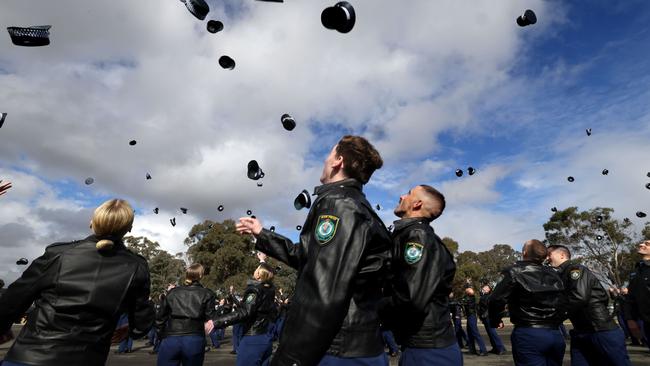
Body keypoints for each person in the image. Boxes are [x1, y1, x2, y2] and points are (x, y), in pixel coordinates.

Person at [236, 135, 392, 366]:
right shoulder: (354, 204)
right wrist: (263, 234)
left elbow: (324, 288)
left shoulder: (340, 205)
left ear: (338, 161)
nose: (325, 159)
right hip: (350, 346)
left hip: (335, 350)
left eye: (329, 153)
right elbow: (312, 259)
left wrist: (291, 358)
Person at [0, 198, 155, 366]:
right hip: (87, 358)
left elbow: (14, 299)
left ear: (92, 222)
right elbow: (141, 322)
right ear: (129, 229)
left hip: (31, 355)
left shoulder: (58, 254)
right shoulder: (136, 266)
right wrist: (131, 330)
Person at [381, 185, 462, 365]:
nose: (401, 195)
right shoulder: (411, 234)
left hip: (428, 350)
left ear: (417, 204)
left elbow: (411, 297)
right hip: (423, 347)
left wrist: (369, 308)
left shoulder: (417, 236)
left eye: (409, 193)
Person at [547, 244, 631, 366]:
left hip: (600, 330)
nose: (547, 258)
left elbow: (579, 297)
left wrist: (554, 316)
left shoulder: (575, 269)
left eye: (549, 254)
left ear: (562, 255)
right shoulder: (560, 275)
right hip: (581, 332)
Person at [488, 239, 567, 366]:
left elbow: (496, 299)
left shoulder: (514, 271)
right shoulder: (555, 273)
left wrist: (495, 320)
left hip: (529, 333)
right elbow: (564, 300)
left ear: (524, 252)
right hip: (555, 333)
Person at [210, 263, 277, 366]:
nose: (254, 270)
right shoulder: (270, 290)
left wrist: (215, 322)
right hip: (266, 338)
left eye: (257, 268)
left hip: (253, 339)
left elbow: (244, 311)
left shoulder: (254, 290)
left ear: (259, 274)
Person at [155, 263, 216, 366]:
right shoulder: (207, 293)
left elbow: (160, 317)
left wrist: (162, 336)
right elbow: (211, 318)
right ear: (201, 276)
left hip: (171, 338)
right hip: (194, 339)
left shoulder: (173, 292)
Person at [625, 240, 650, 350]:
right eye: (642, 243)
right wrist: (630, 319)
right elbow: (631, 297)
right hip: (646, 322)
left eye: (647, 244)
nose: (641, 245)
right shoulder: (637, 270)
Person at [478, 285, 506, 355]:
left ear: (488, 290)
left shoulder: (489, 297)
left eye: (485, 288)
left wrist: (499, 320)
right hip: (485, 317)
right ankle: (495, 348)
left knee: (493, 333)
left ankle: (501, 348)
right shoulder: (484, 296)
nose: (483, 289)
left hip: (489, 317)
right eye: (483, 288)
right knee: (490, 334)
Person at [460, 287, 488, 356]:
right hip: (470, 316)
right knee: (469, 333)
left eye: (467, 291)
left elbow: (464, 302)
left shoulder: (471, 298)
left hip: (472, 317)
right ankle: (472, 349)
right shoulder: (467, 297)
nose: (465, 291)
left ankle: (483, 350)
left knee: (475, 333)